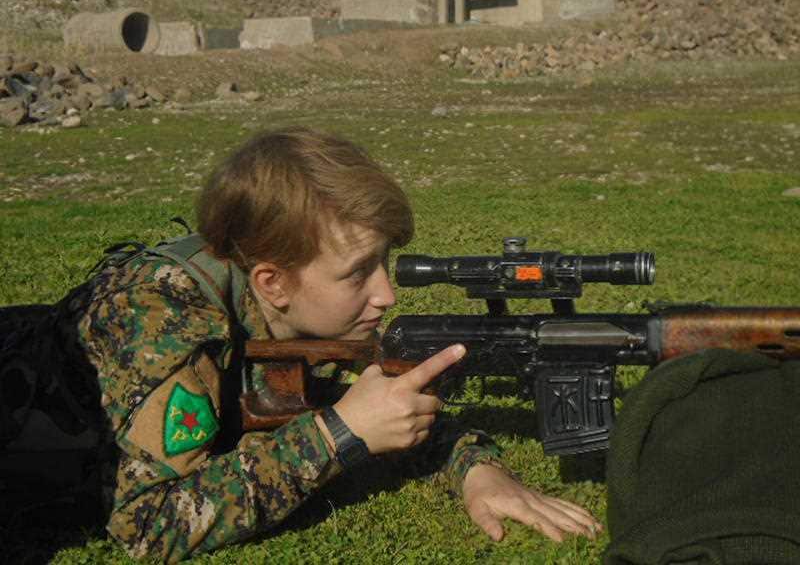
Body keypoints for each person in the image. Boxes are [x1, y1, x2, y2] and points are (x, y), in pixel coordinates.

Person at [9, 127, 601, 561]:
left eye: (384, 265)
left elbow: (368, 402)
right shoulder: (165, 323)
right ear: (274, 281)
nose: (387, 294)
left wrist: (476, 469)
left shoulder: (288, 314)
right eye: (357, 273)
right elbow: (147, 524)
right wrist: (337, 435)